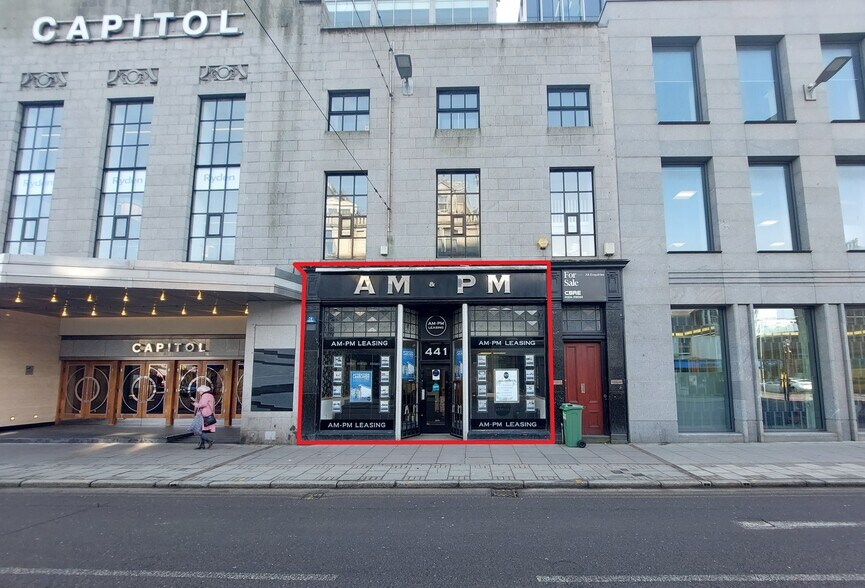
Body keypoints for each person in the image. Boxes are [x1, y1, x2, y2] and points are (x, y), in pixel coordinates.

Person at [192, 385, 216, 449]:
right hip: (207, 414)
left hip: (203, 414)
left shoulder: (205, 395)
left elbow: (203, 404)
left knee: (197, 429)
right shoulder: (210, 395)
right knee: (201, 429)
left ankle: (209, 440)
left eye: (200, 391)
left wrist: (196, 404)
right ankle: (202, 444)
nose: (199, 392)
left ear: (203, 390)